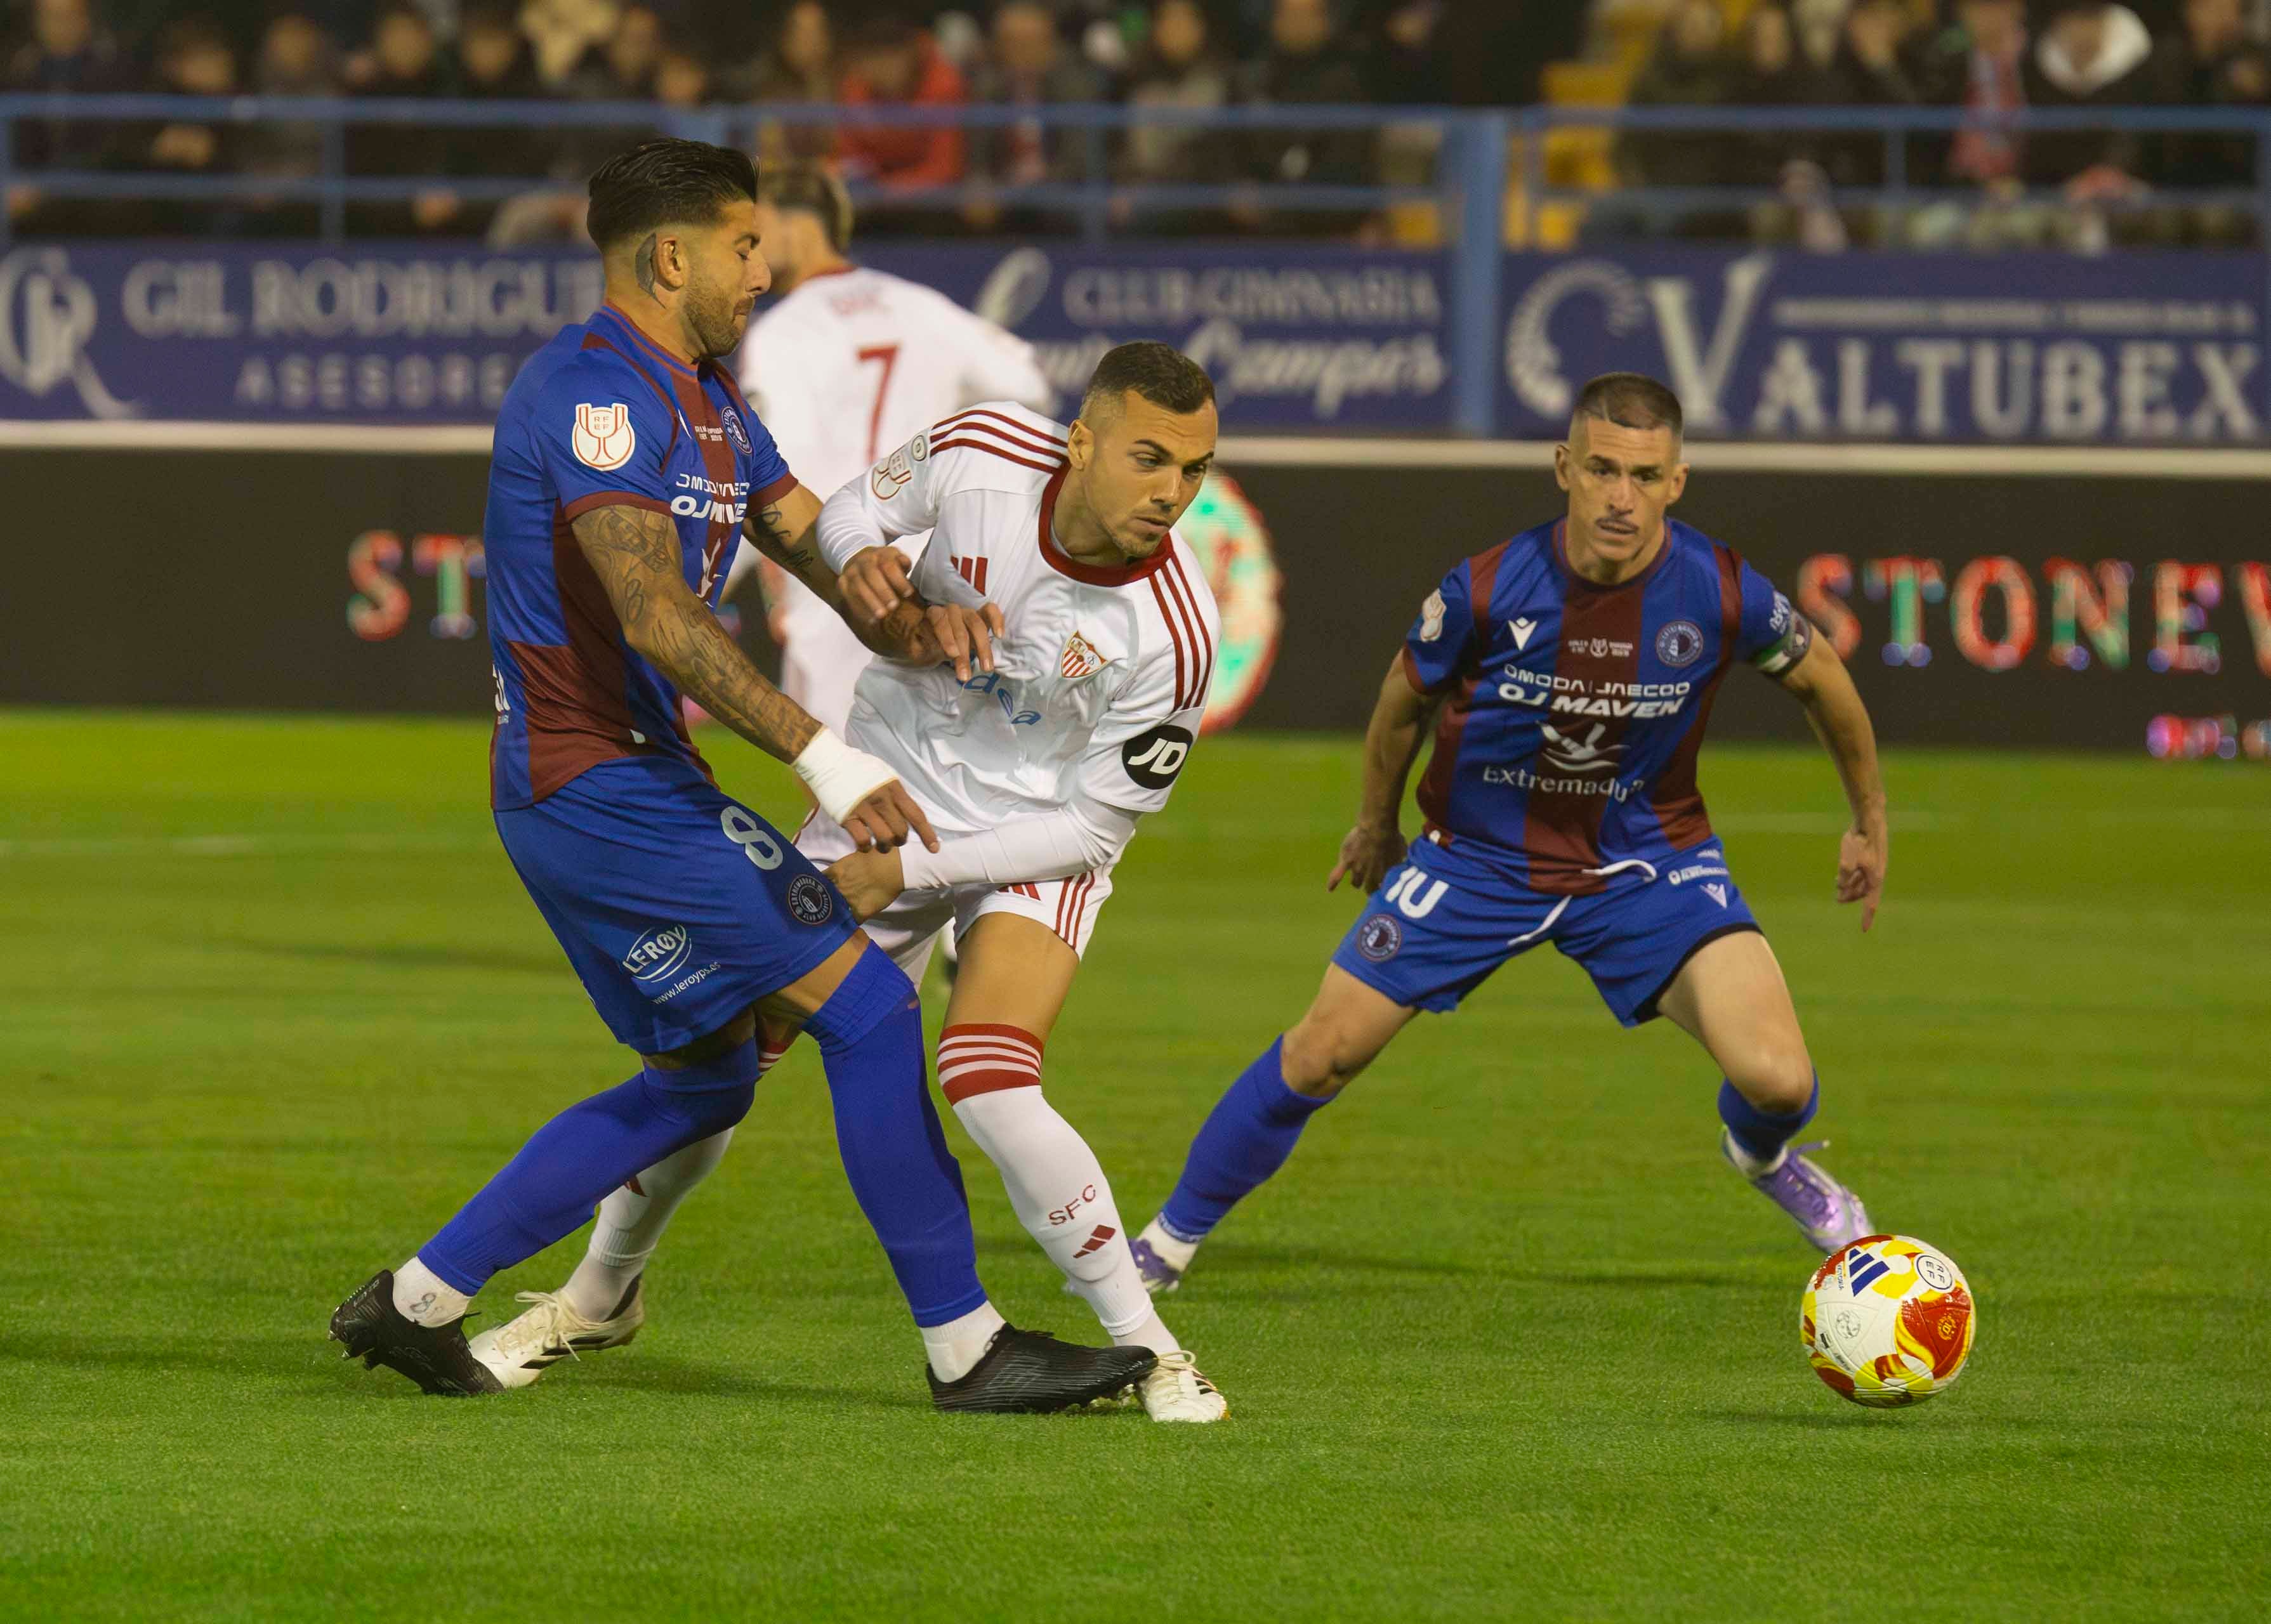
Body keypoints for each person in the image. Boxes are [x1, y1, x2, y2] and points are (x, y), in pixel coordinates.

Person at [329, 138, 1154, 1416]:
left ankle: (420, 1298)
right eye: (746, 246)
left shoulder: (709, 397)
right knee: (869, 1014)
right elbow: (653, 610)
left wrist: (914, 616)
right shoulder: (590, 393)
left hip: (631, 780)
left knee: (708, 1075)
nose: (768, 271)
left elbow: (807, 534)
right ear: (672, 256)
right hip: (591, 784)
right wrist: (825, 750)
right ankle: (967, 1346)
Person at [490, 341, 1234, 1424]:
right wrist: (868, 572)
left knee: (986, 1076)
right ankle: (598, 1297)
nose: (1170, 494)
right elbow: (841, 519)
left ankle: (1152, 1349)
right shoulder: (981, 451)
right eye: (1148, 459)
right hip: (890, 794)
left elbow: (1085, 831)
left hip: (1024, 844)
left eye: (1194, 472)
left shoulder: (1175, 632)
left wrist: (916, 869)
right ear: (1078, 444)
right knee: (723, 1048)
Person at [1129, 372, 1886, 1293]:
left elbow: (1823, 682)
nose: (1620, 497)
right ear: (1561, 468)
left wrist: (1866, 821)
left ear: (1675, 482)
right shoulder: (1489, 587)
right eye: (1601, 470)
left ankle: (1763, 1158)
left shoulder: (1717, 588)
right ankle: (1162, 1248)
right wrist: (1376, 824)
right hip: (1477, 862)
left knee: (1777, 1080)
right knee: (1320, 1051)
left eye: (1644, 477)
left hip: (1645, 864)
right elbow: (1399, 705)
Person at [722, 161, 1054, 737]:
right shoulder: (919, 305)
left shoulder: (785, 333)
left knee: (838, 776)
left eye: (754, 234)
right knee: (939, 771)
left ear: (791, 224)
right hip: (943, 565)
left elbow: (768, 463)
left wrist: (714, 567)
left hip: (839, 568)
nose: (749, 254)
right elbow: (1029, 386)